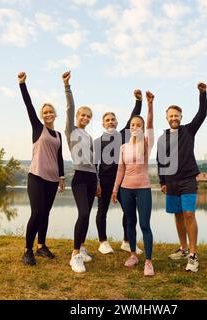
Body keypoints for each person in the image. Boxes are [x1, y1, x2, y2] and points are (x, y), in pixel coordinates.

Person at [156, 82, 207, 273]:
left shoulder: (188, 130)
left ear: (181, 117)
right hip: (171, 182)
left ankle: (193, 255)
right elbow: (160, 160)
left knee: (189, 214)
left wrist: (202, 94)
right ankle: (183, 249)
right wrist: (162, 181)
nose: (174, 118)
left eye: (176, 115)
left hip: (188, 180)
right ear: (167, 118)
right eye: (171, 116)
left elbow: (202, 114)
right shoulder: (163, 138)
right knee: (178, 215)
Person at [18, 72, 65, 266]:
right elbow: (28, 105)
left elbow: (60, 157)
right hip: (36, 176)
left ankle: (41, 246)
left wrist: (62, 177)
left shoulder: (59, 135)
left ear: (55, 114)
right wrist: (22, 84)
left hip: (53, 179)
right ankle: (28, 250)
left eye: (50, 111)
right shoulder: (38, 128)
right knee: (36, 212)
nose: (47, 114)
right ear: (41, 116)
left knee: (45, 213)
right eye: (44, 112)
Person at [94, 90, 144, 255]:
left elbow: (133, 117)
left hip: (123, 181)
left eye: (112, 119)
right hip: (104, 181)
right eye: (107, 120)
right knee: (102, 212)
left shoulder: (123, 135)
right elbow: (94, 165)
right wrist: (97, 184)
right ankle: (103, 242)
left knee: (129, 211)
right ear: (103, 124)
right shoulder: (97, 142)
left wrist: (138, 101)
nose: (110, 122)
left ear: (116, 122)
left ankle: (127, 241)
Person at [112, 91, 155, 277]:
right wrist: (115, 190)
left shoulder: (146, 143)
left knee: (144, 224)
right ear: (129, 128)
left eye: (139, 125)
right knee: (130, 222)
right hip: (126, 189)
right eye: (133, 124)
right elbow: (120, 170)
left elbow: (151, 125)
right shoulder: (123, 147)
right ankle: (132, 255)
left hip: (143, 188)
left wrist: (150, 105)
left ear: (143, 128)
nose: (136, 126)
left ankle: (148, 261)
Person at [63, 71, 99, 273]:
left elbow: (94, 162)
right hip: (79, 178)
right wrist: (67, 87)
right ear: (77, 117)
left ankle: (82, 247)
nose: (85, 117)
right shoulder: (71, 131)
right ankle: (75, 254)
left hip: (92, 178)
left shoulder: (88, 136)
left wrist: (99, 183)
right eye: (82, 115)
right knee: (83, 213)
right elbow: (69, 108)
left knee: (87, 215)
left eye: (88, 116)